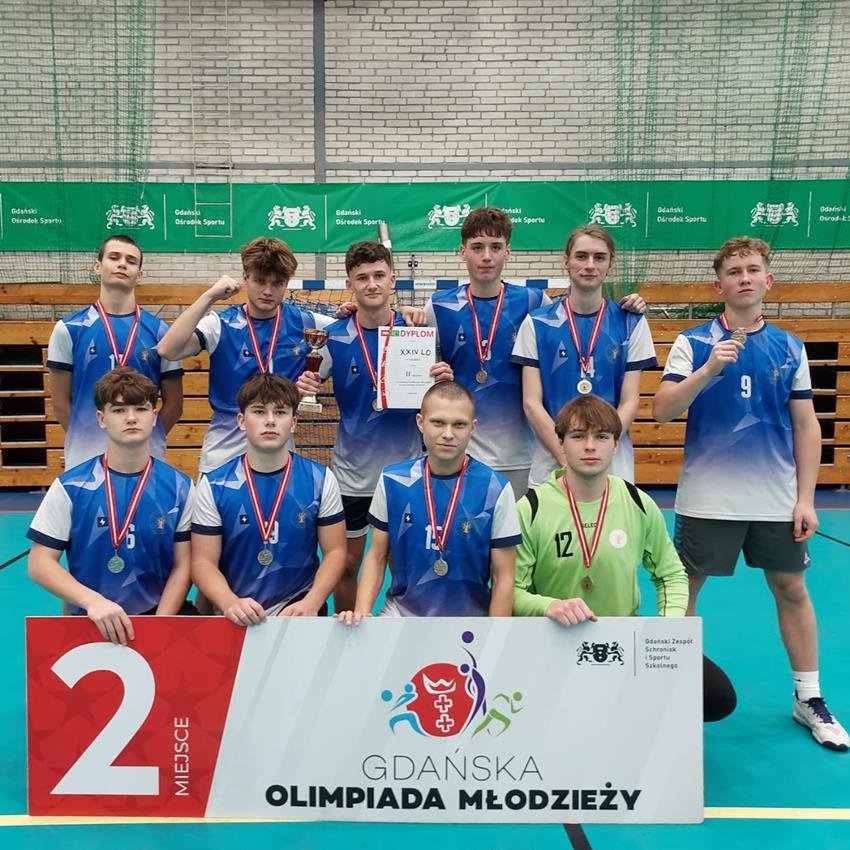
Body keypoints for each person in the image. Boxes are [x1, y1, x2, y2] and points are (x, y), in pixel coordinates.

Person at [654, 236, 847, 750]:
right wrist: (708, 369)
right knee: (684, 591)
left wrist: (806, 498)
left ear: (768, 280)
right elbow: (663, 410)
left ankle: (809, 697)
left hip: (775, 499)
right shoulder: (692, 342)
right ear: (718, 285)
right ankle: (668, 694)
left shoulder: (790, 346)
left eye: (752, 269)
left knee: (791, 589)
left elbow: (806, 426)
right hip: (707, 499)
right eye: (734, 271)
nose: (744, 277)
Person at [514, 395, 736, 722]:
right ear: (560, 444)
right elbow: (510, 592)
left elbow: (671, 574)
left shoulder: (637, 502)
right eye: (578, 436)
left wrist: (669, 628)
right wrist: (548, 606)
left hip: (621, 639)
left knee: (718, 698)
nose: (590, 446)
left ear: (616, 445)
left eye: (602, 436)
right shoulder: (530, 509)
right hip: (553, 639)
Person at [426, 208, 647, 498]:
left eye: (496, 247)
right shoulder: (437, 307)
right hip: (461, 449)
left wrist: (631, 305)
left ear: (508, 252)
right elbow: (418, 366)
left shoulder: (534, 302)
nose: (487, 256)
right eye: (477, 247)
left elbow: (577, 312)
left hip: (523, 453)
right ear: (462, 251)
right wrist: (401, 314)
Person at [296, 241, 453, 612]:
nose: (371, 284)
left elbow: (436, 400)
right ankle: (346, 630)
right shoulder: (332, 337)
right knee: (347, 564)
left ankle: (402, 628)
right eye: (362, 277)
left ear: (392, 280)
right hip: (353, 474)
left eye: (379, 275)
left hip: (405, 472)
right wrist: (304, 385)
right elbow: (309, 382)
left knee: (403, 564)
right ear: (349, 284)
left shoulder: (416, 331)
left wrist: (443, 381)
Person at [27, 368, 195, 645]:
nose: (131, 418)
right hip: (91, 618)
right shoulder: (71, 487)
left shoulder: (181, 487)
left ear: (154, 416)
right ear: (101, 419)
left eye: (141, 409)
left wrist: (160, 622)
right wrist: (92, 602)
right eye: (118, 410)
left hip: (158, 616)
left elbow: (183, 564)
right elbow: (40, 563)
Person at [338, 381, 520, 622]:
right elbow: (376, 556)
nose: (448, 434)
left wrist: (493, 635)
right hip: (400, 614)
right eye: (438, 422)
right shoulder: (392, 480)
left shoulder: (496, 488)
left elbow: (503, 576)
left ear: (473, 428)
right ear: (420, 422)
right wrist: (362, 613)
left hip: (471, 620)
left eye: (459, 424)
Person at [156, 237, 332, 475]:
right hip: (223, 457)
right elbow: (167, 350)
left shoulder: (306, 323)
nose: (268, 291)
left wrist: (355, 312)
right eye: (260, 281)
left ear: (286, 284)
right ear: (245, 278)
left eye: (277, 283)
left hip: (278, 457)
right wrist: (210, 296)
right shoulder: (220, 324)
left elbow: (357, 328)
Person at [191, 373, 347, 626]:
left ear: (294, 423)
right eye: (259, 411)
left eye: (281, 412)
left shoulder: (321, 479)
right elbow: (202, 561)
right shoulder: (214, 485)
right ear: (242, 421)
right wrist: (229, 602)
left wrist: (313, 601)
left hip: (298, 610)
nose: (271, 420)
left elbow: (336, 552)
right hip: (235, 611)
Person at [512, 225, 656, 487]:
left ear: (611, 263)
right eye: (581, 256)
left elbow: (630, 402)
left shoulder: (631, 322)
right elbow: (531, 403)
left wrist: (601, 451)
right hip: (551, 469)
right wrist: (566, 455)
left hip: (612, 469)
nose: (590, 265)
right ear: (566, 261)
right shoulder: (536, 323)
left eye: (599, 257)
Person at [47, 234, 183, 469]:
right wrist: (85, 437)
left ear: (139, 275)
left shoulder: (162, 333)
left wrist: (150, 438)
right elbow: (60, 403)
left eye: (131, 261)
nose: (122, 264)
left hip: (144, 455)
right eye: (114, 257)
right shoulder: (68, 330)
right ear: (97, 267)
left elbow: (174, 405)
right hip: (85, 456)